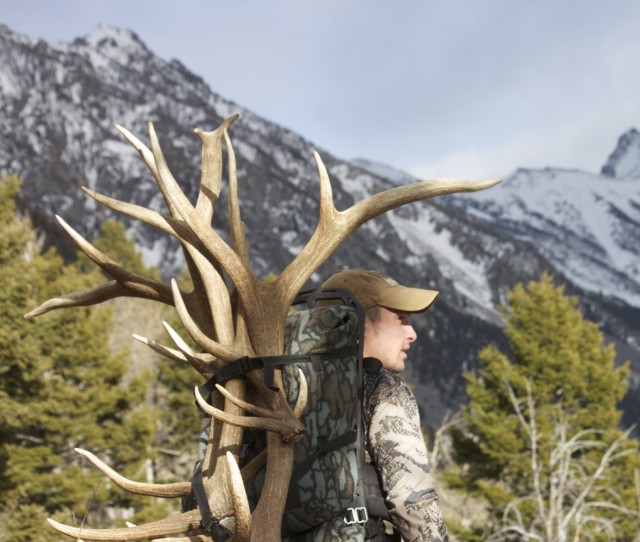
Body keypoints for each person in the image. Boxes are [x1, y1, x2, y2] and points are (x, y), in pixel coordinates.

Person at [321, 269, 450, 542]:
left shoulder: (277, 383)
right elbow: (413, 504)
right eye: (400, 319)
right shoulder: (382, 388)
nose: (412, 334)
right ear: (358, 324)